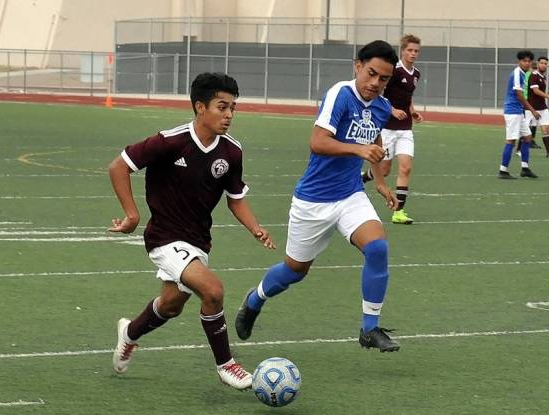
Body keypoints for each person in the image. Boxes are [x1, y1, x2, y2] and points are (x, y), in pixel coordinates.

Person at [108, 72, 276, 390]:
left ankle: (129, 333)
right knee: (212, 291)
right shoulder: (170, 141)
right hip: (163, 237)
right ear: (200, 107)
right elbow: (119, 166)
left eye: (233, 108)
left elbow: (236, 200)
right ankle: (227, 365)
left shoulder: (231, 152)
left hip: (198, 240)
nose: (228, 115)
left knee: (171, 305)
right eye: (221, 106)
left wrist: (256, 229)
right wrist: (132, 215)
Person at [235, 40, 401, 352]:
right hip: (313, 201)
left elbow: (374, 140)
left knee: (377, 248)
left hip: (351, 194)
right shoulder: (340, 94)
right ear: (357, 66)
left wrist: (379, 181)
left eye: (384, 79)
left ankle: (370, 328)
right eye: (371, 73)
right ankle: (255, 299)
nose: (376, 83)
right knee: (294, 271)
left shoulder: (380, 106)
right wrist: (358, 149)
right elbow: (317, 142)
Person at [361, 34, 422, 225]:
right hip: (387, 128)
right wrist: (392, 110)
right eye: (410, 50)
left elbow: (407, 97)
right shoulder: (393, 71)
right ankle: (361, 178)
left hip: (405, 129)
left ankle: (399, 212)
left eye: (416, 51)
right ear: (402, 51)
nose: (413, 54)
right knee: (384, 170)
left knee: (406, 167)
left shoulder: (416, 74)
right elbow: (380, 94)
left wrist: (412, 112)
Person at [498, 50, 541, 179]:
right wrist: (532, 110)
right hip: (513, 111)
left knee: (527, 137)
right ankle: (503, 170)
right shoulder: (517, 73)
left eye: (529, 61)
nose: (527, 63)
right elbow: (519, 95)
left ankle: (525, 168)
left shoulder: (524, 73)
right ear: (519, 62)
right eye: (524, 61)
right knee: (511, 140)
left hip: (518, 111)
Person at [526, 56, 549, 158]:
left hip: (542, 108)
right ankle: (519, 150)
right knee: (525, 131)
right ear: (537, 64)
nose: (544, 65)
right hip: (532, 108)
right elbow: (535, 91)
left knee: (546, 129)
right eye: (542, 63)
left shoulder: (543, 77)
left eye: (545, 63)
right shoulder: (533, 75)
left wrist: (547, 97)